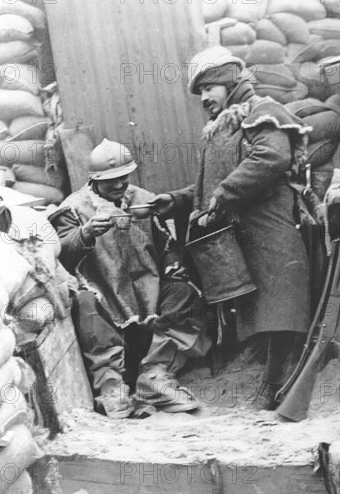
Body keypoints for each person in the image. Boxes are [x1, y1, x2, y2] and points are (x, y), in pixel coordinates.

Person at [150, 46, 311, 411]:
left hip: (272, 229)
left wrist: (223, 195)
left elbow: (272, 157)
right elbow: (212, 184)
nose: (204, 97)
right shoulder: (223, 127)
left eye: (209, 87)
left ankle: (276, 387)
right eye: (200, 92)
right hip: (244, 232)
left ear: (228, 80)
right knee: (263, 311)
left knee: (282, 309)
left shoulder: (261, 110)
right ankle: (271, 383)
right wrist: (176, 199)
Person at [49, 139, 211, 418]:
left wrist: (173, 266)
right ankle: (111, 387)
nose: (118, 185)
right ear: (94, 179)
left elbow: (168, 245)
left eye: (122, 178)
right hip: (102, 288)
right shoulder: (74, 209)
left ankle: (155, 377)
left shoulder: (143, 199)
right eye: (110, 180)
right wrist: (85, 234)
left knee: (184, 292)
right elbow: (60, 254)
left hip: (146, 287)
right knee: (86, 304)